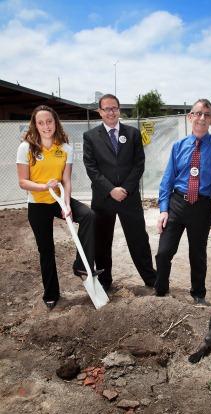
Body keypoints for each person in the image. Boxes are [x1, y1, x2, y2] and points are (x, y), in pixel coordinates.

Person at [16, 105, 97, 310]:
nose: (46, 126)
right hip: (38, 204)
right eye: (41, 122)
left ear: (55, 122)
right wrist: (44, 186)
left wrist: (68, 204)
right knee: (46, 250)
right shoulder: (26, 148)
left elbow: (67, 180)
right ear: (35, 125)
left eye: (49, 121)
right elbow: (23, 182)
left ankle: (81, 265)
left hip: (59, 200)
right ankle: (51, 293)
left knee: (88, 215)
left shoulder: (65, 148)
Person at [155, 98, 211, 303]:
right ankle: (160, 292)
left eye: (206, 115)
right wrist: (163, 209)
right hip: (177, 204)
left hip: (201, 206)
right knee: (163, 252)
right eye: (197, 113)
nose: (201, 118)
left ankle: (198, 295)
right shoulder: (178, 146)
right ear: (190, 117)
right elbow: (167, 180)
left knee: (197, 256)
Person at [83, 93, 156, 291]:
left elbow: (138, 164)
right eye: (106, 108)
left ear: (119, 109)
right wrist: (110, 190)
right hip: (103, 199)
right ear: (100, 112)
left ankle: (151, 279)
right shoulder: (90, 137)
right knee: (102, 242)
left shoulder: (132, 134)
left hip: (129, 197)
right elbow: (91, 168)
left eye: (114, 108)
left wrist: (125, 189)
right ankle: (105, 282)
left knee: (139, 240)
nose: (111, 112)